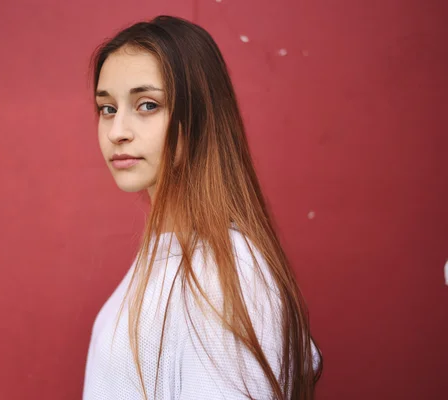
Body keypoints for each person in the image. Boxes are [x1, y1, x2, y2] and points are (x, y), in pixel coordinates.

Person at [82, 15, 322, 400]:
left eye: (147, 104)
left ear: (200, 115)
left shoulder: (226, 274)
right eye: (107, 108)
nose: (117, 131)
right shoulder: (167, 258)